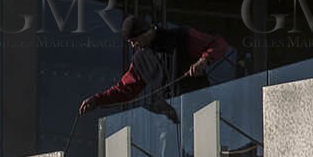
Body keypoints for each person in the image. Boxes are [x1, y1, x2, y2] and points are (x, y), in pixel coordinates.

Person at [77, 15, 232, 116]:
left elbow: (218, 43)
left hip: (200, 111)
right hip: (169, 120)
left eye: (134, 41)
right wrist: (98, 100)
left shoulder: (181, 37)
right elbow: (125, 90)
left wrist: (204, 61)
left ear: (145, 32)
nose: (133, 46)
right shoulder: (139, 60)